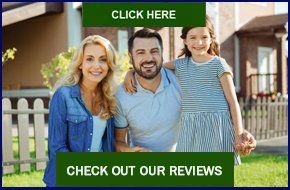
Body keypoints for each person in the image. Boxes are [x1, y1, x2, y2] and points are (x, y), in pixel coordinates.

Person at [124, 20, 256, 164]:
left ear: (211, 39)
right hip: (190, 128)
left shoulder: (218, 64)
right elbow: (154, 67)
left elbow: (233, 101)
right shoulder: (180, 64)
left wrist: (238, 134)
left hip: (217, 126)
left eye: (204, 37)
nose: (199, 42)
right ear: (185, 40)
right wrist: (130, 72)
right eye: (193, 37)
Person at [43, 35, 117, 186]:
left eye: (103, 59)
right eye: (90, 59)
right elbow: (57, 148)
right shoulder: (63, 95)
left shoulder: (109, 98)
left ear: (109, 65)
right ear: (80, 64)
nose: (96, 66)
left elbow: (108, 146)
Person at [114, 28, 182, 152]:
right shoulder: (121, 96)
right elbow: (118, 142)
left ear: (162, 54)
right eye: (141, 52)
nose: (148, 58)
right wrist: (131, 151)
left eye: (154, 51)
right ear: (131, 57)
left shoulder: (179, 80)